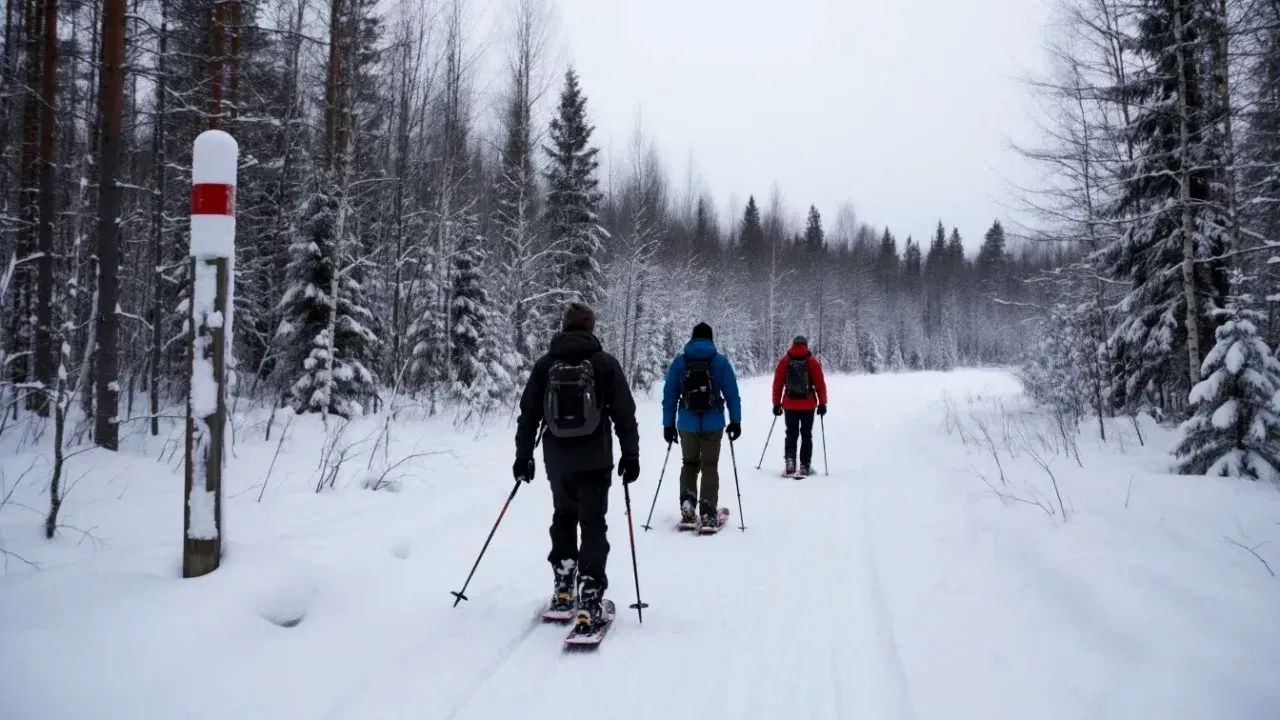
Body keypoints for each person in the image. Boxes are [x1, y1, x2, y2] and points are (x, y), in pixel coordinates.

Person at [514, 303, 640, 630]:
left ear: (565, 326)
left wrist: (523, 455)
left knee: (564, 516)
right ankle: (589, 595)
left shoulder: (545, 365)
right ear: (590, 327)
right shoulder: (604, 364)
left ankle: (563, 586)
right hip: (596, 458)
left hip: (557, 459)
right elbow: (624, 414)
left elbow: (529, 415)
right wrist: (631, 455)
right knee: (594, 523)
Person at [661, 322, 742, 528]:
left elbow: (669, 396)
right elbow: (732, 395)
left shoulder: (680, 362)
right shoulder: (720, 362)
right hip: (713, 422)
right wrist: (735, 421)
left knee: (689, 463)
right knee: (709, 465)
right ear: (710, 339)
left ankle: (688, 505)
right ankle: (707, 512)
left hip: (686, 423)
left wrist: (668, 424)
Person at [771, 335, 827, 476]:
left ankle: (790, 462)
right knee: (806, 434)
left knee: (791, 433)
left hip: (789, 405)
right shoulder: (812, 362)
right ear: (805, 345)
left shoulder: (785, 361)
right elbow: (820, 384)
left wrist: (776, 403)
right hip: (808, 405)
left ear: (793, 344)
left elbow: (777, 384)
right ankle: (804, 466)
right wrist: (822, 403)